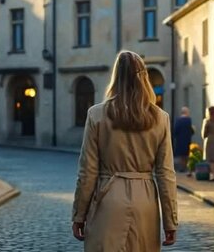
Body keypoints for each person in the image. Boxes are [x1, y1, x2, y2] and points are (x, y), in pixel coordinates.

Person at [71, 51, 178, 250]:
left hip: (107, 199)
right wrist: (170, 220)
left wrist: (79, 214)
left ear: (116, 77)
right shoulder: (160, 118)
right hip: (145, 202)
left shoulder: (97, 115)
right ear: (144, 77)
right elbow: (166, 173)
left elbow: (88, 171)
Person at [173, 106, 194, 176]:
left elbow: (175, 130)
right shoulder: (189, 120)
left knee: (181, 155)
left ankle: (182, 167)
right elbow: (191, 130)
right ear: (186, 112)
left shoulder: (178, 120)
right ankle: (186, 167)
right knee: (186, 154)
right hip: (187, 139)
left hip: (180, 139)